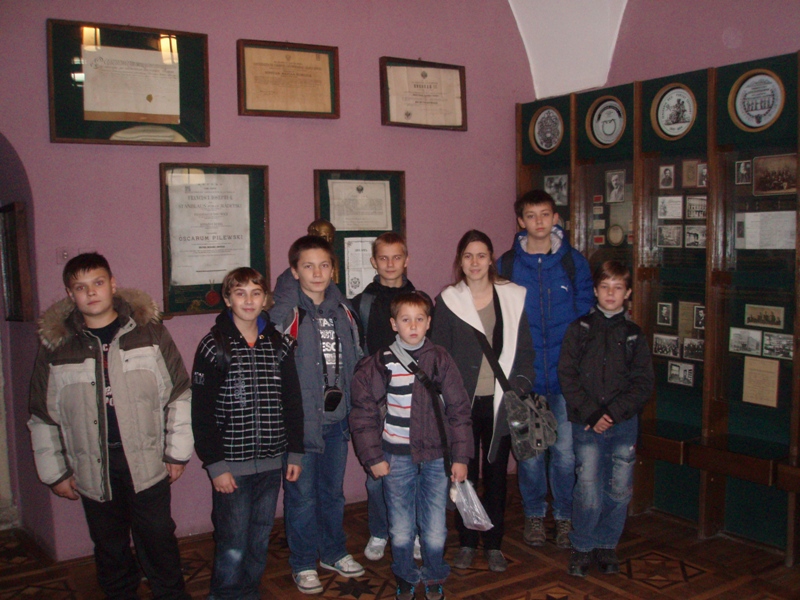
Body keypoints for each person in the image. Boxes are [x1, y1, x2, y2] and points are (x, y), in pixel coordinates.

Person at [28, 252, 192, 599]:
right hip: (93, 465)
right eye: (81, 287)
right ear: (70, 294)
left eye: (98, 283)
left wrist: (176, 453)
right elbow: (43, 415)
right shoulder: (57, 346)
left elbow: (179, 394)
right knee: (110, 547)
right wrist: (55, 473)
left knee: (159, 540)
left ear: (112, 284)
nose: (91, 292)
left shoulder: (149, 332)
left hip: (147, 462)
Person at [350, 291, 472, 600]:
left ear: (429, 322)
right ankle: (405, 575)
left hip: (436, 457)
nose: (413, 326)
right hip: (396, 456)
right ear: (394, 324)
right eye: (406, 320)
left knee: (435, 526)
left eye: (419, 319)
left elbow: (459, 410)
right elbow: (363, 413)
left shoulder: (441, 359)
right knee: (401, 525)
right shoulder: (380, 363)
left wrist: (461, 457)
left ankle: (433, 574)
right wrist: (373, 457)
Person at [191, 267, 304, 599]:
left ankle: (249, 592)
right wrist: (215, 464)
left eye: (256, 293)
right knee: (233, 540)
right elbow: (201, 412)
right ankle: (225, 594)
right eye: (240, 293)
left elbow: (292, 401)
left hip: (271, 461)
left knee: (259, 537)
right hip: (231, 466)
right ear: (228, 300)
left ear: (266, 298)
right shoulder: (214, 345)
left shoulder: (279, 344)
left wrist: (295, 452)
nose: (249, 300)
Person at [430, 230, 535, 572]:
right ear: (459, 261)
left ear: (491, 259)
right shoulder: (448, 300)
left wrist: (519, 387)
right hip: (462, 405)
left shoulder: (513, 296)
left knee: (496, 476)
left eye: (481, 255)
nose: (474, 262)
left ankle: (493, 543)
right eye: (468, 256)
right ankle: (466, 541)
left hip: (501, 401)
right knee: (463, 475)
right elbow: (439, 355)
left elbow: (525, 351)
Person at [499, 190, 594, 549]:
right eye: (531, 215)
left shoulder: (574, 262)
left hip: (566, 379)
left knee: (565, 455)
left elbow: (586, 316)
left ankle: (565, 517)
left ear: (555, 218)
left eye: (545, 214)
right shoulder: (507, 264)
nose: (539, 221)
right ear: (521, 221)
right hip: (526, 378)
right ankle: (535, 515)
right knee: (531, 455)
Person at [269, 235, 365, 595]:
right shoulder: (285, 313)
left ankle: (334, 551)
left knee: (332, 493)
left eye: (324, 265)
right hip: (300, 424)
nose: (317, 272)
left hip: (337, 419)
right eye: (308, 266)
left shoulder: (344, 310)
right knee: (301, 496)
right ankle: (304, 561)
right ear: (295, 271)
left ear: (333, 269)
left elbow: (356, 359)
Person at [558, 261, 654, 577]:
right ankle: (583, 544)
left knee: (619, 488)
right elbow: (567, 375)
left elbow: (643, 382)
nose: (610, 294)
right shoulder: (580, 329)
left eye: (617, 288)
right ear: (595, 291)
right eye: (604, 287)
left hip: (623, 424)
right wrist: (592, 413)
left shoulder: (634, 335)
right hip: (586, 423)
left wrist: (612, 414)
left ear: (627, 293)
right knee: (587, 486)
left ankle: (607, 542)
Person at [350, 232, 421, 561]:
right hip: (377, 399)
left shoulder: (420, 301)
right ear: (373, 262)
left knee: (415, 469)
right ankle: (380, 530)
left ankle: (413, 530)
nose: (390, 264)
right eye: (383, 258)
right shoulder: (361, 303)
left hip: (414, 398)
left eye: (397, 257)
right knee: (377, 473)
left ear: (407, 260)